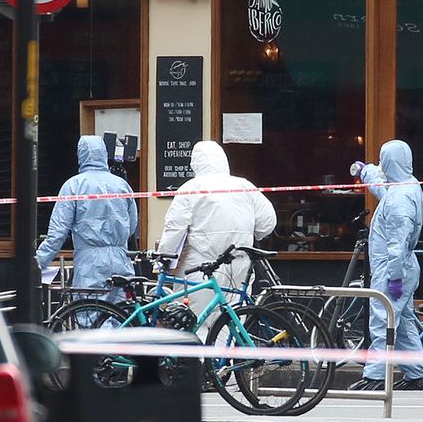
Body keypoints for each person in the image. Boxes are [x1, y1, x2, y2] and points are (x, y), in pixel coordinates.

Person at [156, 141, 276, 338]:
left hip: (200, 268)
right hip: (239, 265)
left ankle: (201, 367)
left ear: (195, 163)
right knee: (232, 323)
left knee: (197, 323)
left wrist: (164, 261)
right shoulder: (244, 185)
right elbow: (267, 223)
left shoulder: (191, 188)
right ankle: (224, 366)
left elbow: (174, 229)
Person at [348, 140, 423, 391]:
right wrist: (366, 171)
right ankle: (417, 375)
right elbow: (383, 188)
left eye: (383, 160)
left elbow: (397, 242)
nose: (382, 165)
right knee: (402, 322)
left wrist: (394, 278)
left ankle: (375, 376)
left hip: (394, 268)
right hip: (402, 266)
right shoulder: (406, 186)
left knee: (382, 318)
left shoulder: (400, 199)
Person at [36, 135, 138, 302]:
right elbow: (132, 226)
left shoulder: (74, 186)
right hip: (121, 259)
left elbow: (57, 233)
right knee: (121, 315)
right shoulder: (121, 185)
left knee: (90, 315)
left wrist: (38, 263)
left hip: (91, 264)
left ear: (80, 155)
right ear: (104, 154)